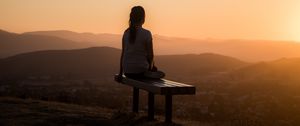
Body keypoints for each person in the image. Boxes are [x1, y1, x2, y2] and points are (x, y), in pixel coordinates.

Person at [117, 6, 164, 81]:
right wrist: (151, 68)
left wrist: (120, 73)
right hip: (141, 71)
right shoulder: (146, 34)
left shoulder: (126, 33)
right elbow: (150, 56)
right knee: (161, 74)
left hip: (127, 71)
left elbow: (123, 54)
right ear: (143, 18)